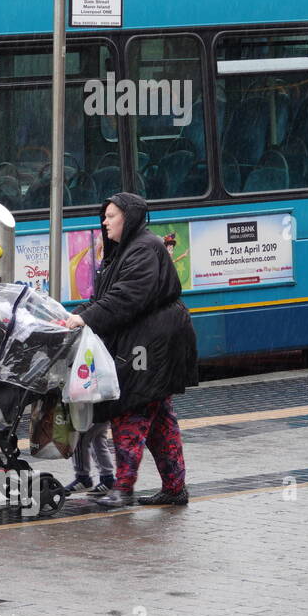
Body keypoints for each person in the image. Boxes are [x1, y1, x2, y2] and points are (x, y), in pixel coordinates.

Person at [66, 192, 198, 507]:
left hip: (155, 342)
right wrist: (73, 315)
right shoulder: (125, 251)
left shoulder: (144, 249)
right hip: (152, 338)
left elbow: (126, 298)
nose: (105, 221)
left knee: (131, 410)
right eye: (105, 216)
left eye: (111, 216)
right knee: (159, 418)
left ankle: (123, 488)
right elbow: (105, 297)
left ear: (130, 217)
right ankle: (175, 488)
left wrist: (83, 318)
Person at [63, 422, 115, 495]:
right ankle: (108, 479)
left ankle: (83, 478)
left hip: (90, 415)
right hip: (104, 414)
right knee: (98, 440)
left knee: (80, 440)